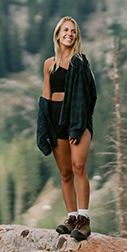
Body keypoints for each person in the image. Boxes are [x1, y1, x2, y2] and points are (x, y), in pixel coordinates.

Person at [36, 16, 97, 240]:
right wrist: (44, 127)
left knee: (79, 166)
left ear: (76, 36)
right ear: (58, 34)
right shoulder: (49, 64)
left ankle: (84, 220)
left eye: (73, 31)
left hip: (76, 120)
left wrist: (77, 126)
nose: (69, 34)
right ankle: (71, 218)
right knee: (65, 172)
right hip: (55, 119)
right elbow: (45, 97)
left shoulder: (80, 63)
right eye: (65, 30)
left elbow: (87, 97)